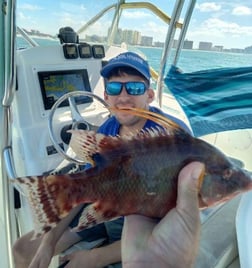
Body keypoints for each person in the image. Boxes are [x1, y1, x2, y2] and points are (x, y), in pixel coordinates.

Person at [12, 51, 196, 268]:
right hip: (106, 207)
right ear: (106, 97)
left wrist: (94, 258)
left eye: (135, 88)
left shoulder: (173, 137)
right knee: (23, 250)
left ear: (149, 95)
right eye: (115, 87)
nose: (124, 97)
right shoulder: (109, 129)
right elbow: (85, 184)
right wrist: (48, 244)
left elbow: (173, 225)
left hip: (145, 227)